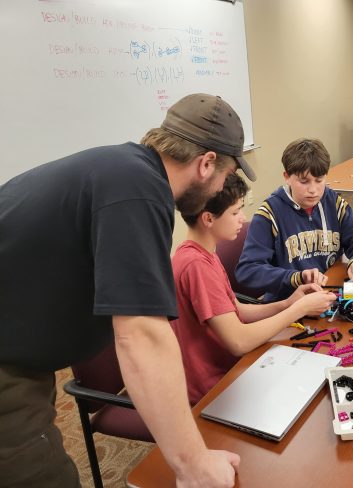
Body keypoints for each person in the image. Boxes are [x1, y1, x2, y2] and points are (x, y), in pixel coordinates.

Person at [0, 94, 255, 488]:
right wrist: (194, 465)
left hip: (24, 353)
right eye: (225, 174)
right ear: (206, 164)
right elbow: (142, 335)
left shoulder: (125, 170)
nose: (224, 185)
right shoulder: (137, 188)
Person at [171, 173, 337, 405]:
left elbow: (236, 310)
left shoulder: (202, 252)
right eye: (236, 212)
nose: (243, 219)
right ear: (208, 219)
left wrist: (287, 303)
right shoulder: (197, 266)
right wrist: (297, 310)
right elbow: (239, 342)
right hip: (215, 387)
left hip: (230, 370)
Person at [236, 138, 353, 302]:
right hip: (288, 304)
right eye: (304, 182)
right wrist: (296, 277)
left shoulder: (333, 203)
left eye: (319, 181)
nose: (313, 190)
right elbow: (248, 270)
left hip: (328, 296)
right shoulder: (269, 214)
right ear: (287, 177)